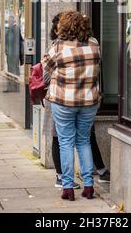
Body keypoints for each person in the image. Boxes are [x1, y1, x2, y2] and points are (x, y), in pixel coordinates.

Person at [45, 13, 110, 189]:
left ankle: (67, 186)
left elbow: (46, 67)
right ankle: (89, 185)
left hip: (63, 101)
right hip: (89, 102)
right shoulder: (94, 43)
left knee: (65, 142)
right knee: (83, 141)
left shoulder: (58, 46)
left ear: (64, 27)